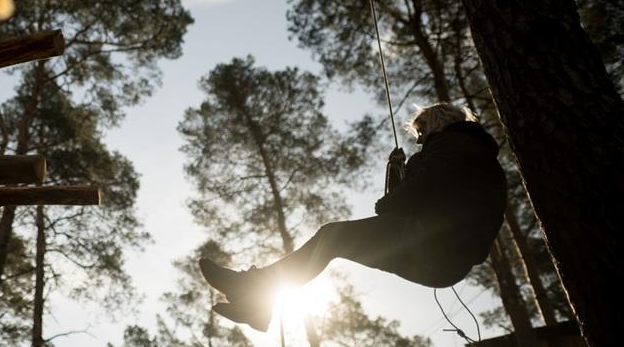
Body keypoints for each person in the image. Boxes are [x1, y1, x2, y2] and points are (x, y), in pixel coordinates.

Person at [199, 103, 507, 332]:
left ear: (439, 122)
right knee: (334, 241)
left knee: (333, 238)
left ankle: (256, 291)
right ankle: (258, 301)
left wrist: (400, 186)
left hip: (435, 244)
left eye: (422, 130)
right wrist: (400, 175)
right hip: (441, 261)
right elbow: (412, 201)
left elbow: (401, 202)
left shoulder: (455, 144)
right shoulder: (469, 153)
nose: (418, 140)